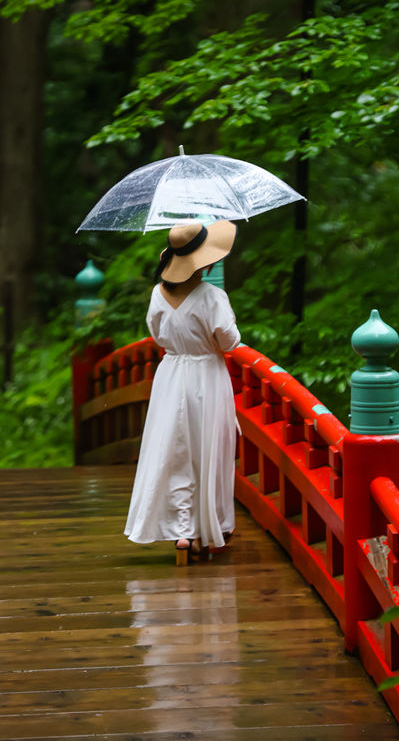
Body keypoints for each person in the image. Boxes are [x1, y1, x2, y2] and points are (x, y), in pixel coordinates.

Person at [124, 220, 241, 565]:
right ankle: (210, 527)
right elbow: (228, 340)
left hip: (171, 374)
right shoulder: (212, 296)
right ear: (206, 262)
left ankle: (182, 531)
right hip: (206, 375)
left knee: (175, 449)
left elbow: (158, 336)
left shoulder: (157, 295)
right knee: (208, 449)